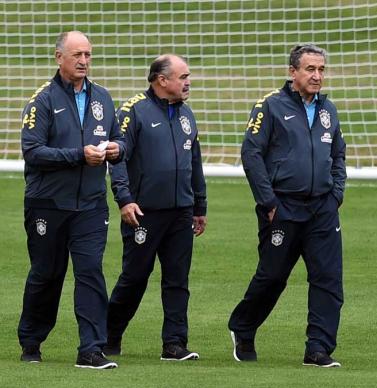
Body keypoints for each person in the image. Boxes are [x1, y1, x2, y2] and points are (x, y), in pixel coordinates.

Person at [228, 44, 346, 368]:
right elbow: (251, 154)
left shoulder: (328, 110)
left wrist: (336, 193)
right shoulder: (269, 106)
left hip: (323, 209)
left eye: (321, 69)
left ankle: (318, 349)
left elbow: (338, 154)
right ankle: (243, 328)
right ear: (292, 72)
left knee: (328, 279)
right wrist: (268, 202)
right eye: (310, 69)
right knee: (273, 276)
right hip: (282, 207)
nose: (317, 76)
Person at [18, 31, 125, 369]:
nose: (83, 61)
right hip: (48, 204)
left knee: (91, 271)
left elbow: (121, 139)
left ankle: (91, 349)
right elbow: (33, 151)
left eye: (88, 55)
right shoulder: (42, 100)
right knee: (47, 274)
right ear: (58, 57)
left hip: (91, 205)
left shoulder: (103, 98)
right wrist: (78, 156)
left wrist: (117, 149)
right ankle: (31, 340)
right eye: (77, 54)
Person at [103, 54, 207, 361]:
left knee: (178, 279)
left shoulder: (187, 114)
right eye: (183, 76)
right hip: (143, 212)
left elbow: (195, 162)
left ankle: (174, 344)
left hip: (181, 212)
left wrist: (199, 205)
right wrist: (124, 199)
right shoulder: (132, 111)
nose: (188, 82)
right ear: (162, 80)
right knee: (134, 277)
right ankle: (109, 334)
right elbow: (117, 158)